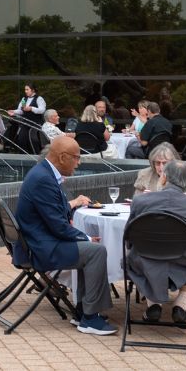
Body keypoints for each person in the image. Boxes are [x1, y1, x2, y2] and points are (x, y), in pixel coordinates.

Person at [12, 136, 116, 335]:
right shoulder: (43, 179)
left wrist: (80, 230)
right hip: (41, 249)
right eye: (76, 158)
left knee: (90, 251)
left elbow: (54, 212)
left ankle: (82, 312)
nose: (78, 163)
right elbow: (58, 226)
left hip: (38, 242)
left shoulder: (43, 173)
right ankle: (90, 318)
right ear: (62, 157)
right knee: (96, 252)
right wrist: (85, 237)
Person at [125, 160, 186, 325]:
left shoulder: (140, 201)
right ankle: (181, 304)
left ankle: (153, 304)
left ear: (164, 178)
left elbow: (129, 238)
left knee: (141, 259)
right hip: (184, 263)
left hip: (144, 260)